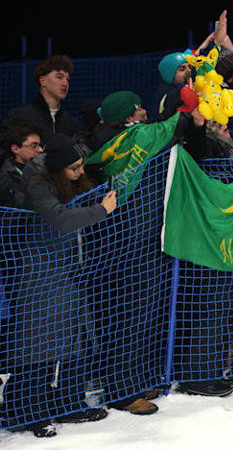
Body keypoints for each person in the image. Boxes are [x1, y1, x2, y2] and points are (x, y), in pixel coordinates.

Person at [5, 135, 117, 437]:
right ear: (57, 169)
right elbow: (59, 219)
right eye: (74, 168)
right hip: (42, 273)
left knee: (76, 340)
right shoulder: (39, 185)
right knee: (37, 347)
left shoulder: (68, 178)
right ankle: (29, 412)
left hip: (70, 270)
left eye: (81, 165)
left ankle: (70, 403)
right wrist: (101, 211)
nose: (80, 172)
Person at [1, 55, 82, 142]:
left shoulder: (71, 123)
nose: (65, 83)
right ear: (42, 81)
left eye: (67, 79)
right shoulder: (19, 117)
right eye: (59, 77)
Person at [0, 123, 43, 207]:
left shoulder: (43, 170)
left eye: (40, 145)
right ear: (15, 149)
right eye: (34, 146)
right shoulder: (5, 178)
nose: (40, 150)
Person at [153, 52, 193, 122]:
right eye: (182, 69)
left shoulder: (177, 87)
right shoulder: (168, 93)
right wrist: (190, 80)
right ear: (170, 73)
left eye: (189, 67)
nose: (188, 71)